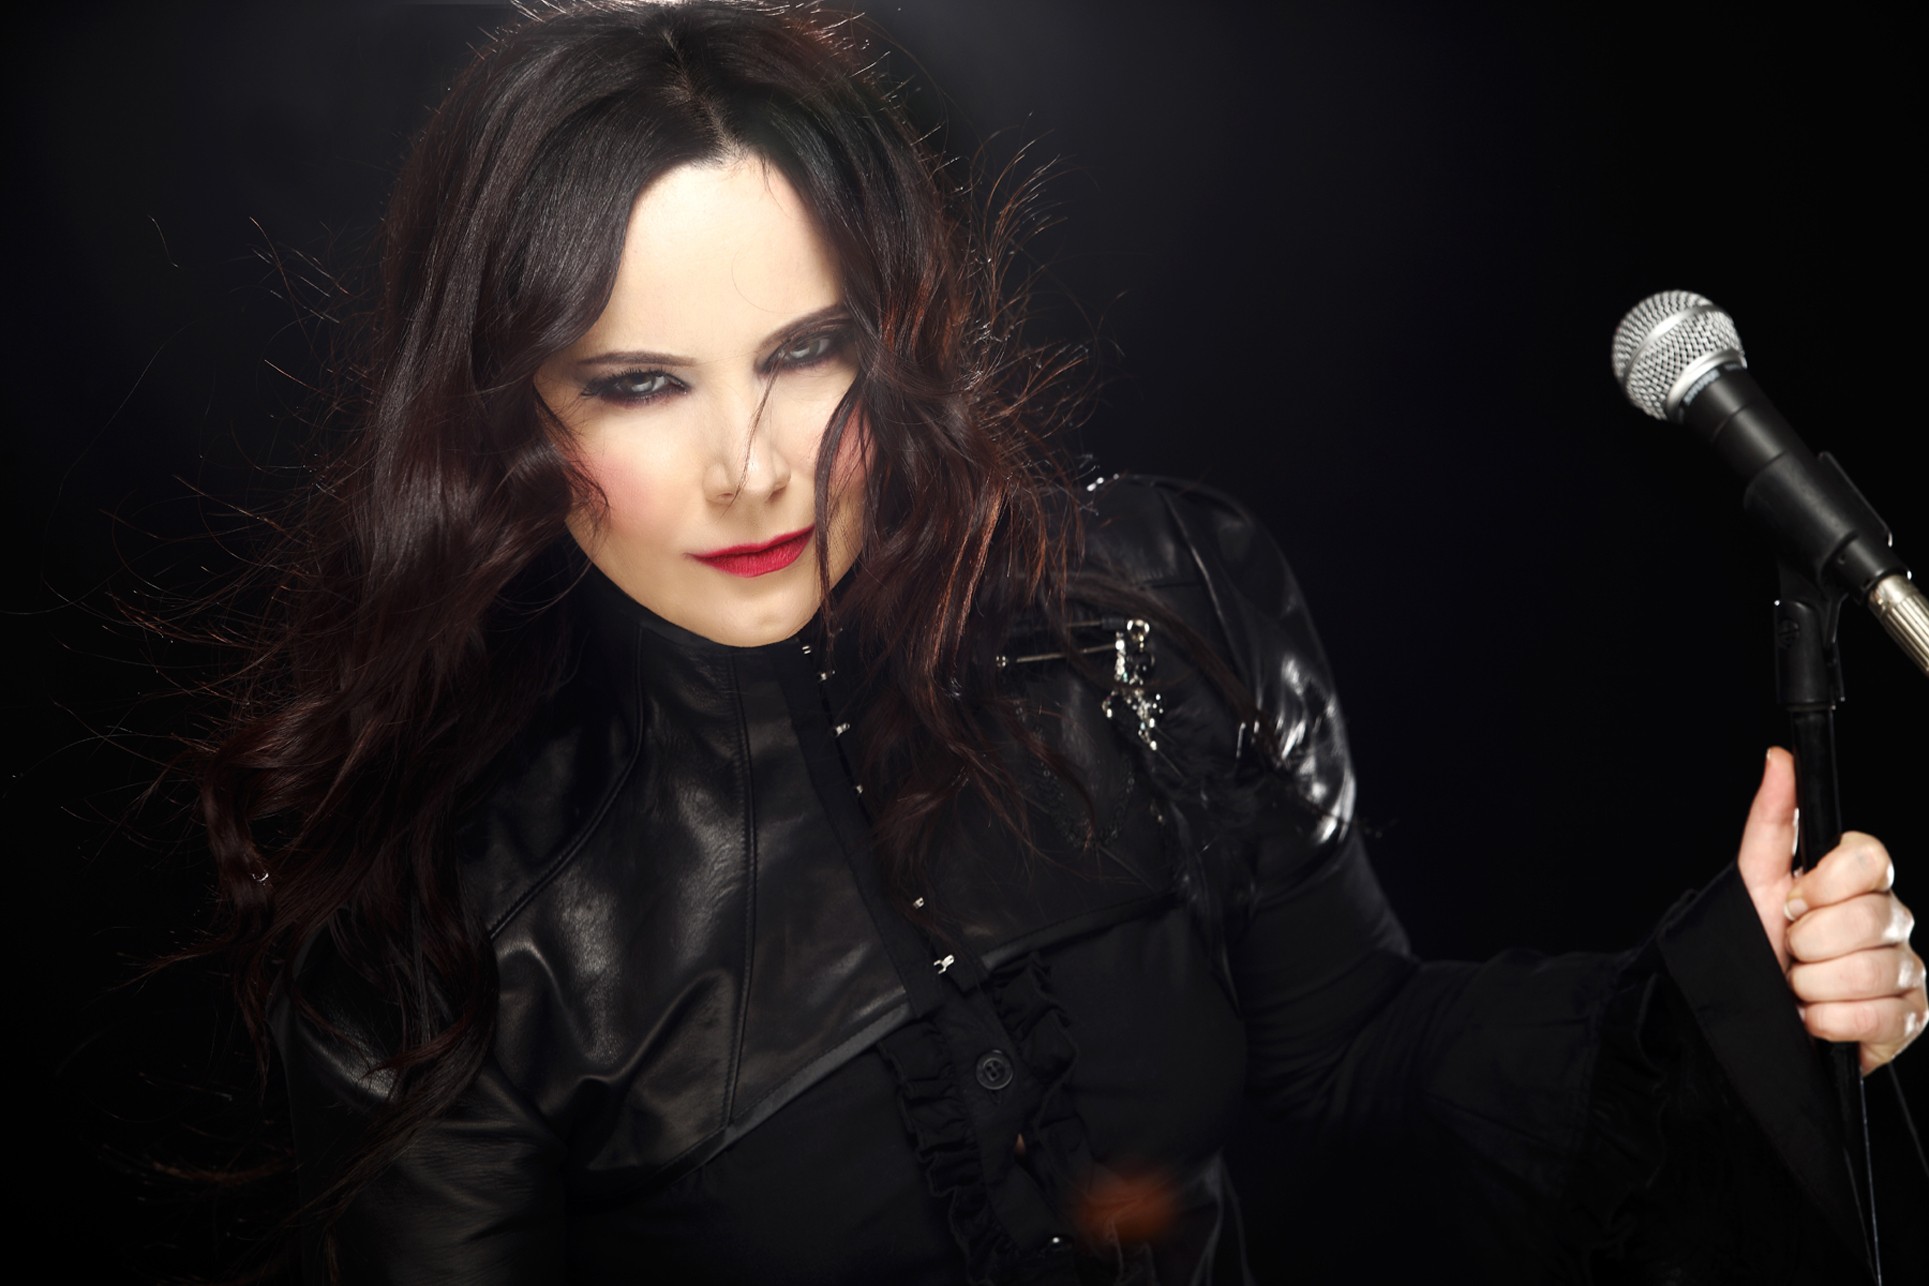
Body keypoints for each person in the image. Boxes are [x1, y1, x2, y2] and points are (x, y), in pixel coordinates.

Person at [188, 3, 1924, 1282]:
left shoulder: (1157, 603)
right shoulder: (438, 906)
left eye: (804, 352)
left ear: (895, 333)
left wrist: (1719, 996)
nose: (746, 466)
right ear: (514, 412)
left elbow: (1351, 1053)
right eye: (640, 382)